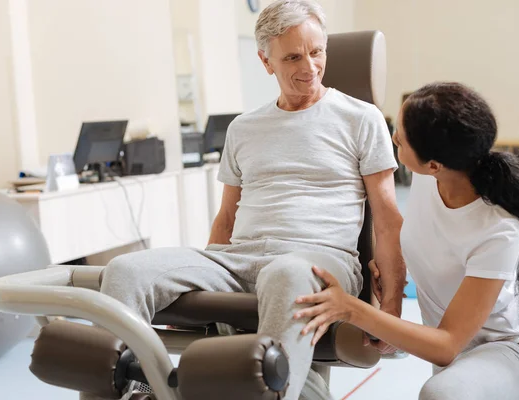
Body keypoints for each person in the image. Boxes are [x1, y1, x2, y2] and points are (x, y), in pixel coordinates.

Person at [82, 1, 405, 399]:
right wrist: (203, 289)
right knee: (125, 270)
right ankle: (130, 389)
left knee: (285, 273)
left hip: (319, 259)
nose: (309, 66)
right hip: (239, 257)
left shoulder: (361, 118)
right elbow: (226, 218)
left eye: (317, 52)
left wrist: (390, 310)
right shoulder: (244, 127)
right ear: (266, 61)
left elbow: (388, 221)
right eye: (292, 56)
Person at [295, 82, 519, 400]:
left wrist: (350, 308)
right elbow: (418, 240)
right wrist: (390, 300)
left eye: (400, 139)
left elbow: (445, 346)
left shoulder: (500, 229)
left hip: (509, 351)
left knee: (440, 394)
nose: (393, 140)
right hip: (455, 349)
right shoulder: (428, 176)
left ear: (434, 164)